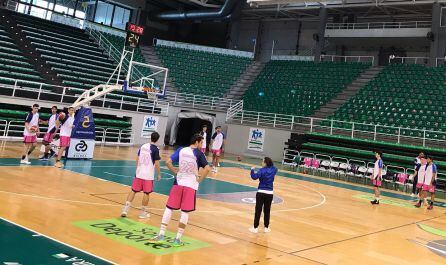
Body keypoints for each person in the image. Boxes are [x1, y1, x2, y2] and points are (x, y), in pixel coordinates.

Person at [150, 134, 211, 247]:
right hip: (190, 185)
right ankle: (177, 239)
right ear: (197, 142)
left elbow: (168, 162)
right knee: (185, 212)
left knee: (169, 208)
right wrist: (200, 179)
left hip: (178, 182)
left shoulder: (181, 150)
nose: (202, 145)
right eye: (201, 143)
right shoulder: (199, 153)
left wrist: (175, 171)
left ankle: (161, 235)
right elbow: (207, 169)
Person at [121, 132, 161, 218]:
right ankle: (143, 214)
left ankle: (125, 210)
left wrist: (138, 169)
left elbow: (137, 159)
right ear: (157, 139)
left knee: (133, 191)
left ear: (150, 137)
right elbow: (157, 164)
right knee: (146, 193)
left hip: (139, 173)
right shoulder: (156, 149)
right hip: (148, 175)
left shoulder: (143, 146)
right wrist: (159, 174)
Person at [249, 157, 277, 234]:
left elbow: (254, 177)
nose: (261, 163)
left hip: (261, 193)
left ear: (265, 163)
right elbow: (274, 169)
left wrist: (252, 170)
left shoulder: (261, 170)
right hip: (269, 194)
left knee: (258, 210)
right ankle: (266, 227)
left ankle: (255, 228)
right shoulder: (274, 169)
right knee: (267, 211)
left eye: (262, 161)